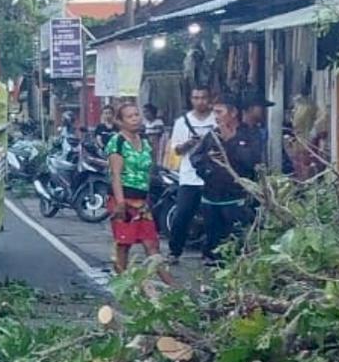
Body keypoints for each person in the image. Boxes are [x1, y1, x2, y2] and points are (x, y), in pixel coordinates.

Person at [197, 94, 261, 265]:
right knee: (213, 240)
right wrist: (207, 170)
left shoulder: (249, 135)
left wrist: (231, 142)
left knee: (236, 241)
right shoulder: (212, 135)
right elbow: (196, 158)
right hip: (211, 197)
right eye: (214, 112)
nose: (216, 116)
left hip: (237, 198)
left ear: (233, 113)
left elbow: (253, 161)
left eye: (219, 112)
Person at [106, 102, 168, 276]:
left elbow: (146, 173)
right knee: (124, 244)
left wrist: (147, 199)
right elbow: (116, 175)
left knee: (151, 242)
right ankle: (122, 282)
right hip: (123, 199)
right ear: (120, 121)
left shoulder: (144, 142)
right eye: (129, 116)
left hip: (141, 201)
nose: (135, 119)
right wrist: (119, 203)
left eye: (136, 115)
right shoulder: (117, 142)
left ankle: (171, 285)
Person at [166, 87, 217, 264]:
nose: (200, 101)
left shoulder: (216, 120)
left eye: (203, 97)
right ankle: (174, 251)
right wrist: (189, 144)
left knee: (212, 218)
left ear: (209, 99)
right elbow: (176, 150)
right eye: (196, 98)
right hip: (189, 176)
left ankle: (209, 253)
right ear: (191, 99)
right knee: (182, 215)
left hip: (212, 176)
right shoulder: (182, 122)